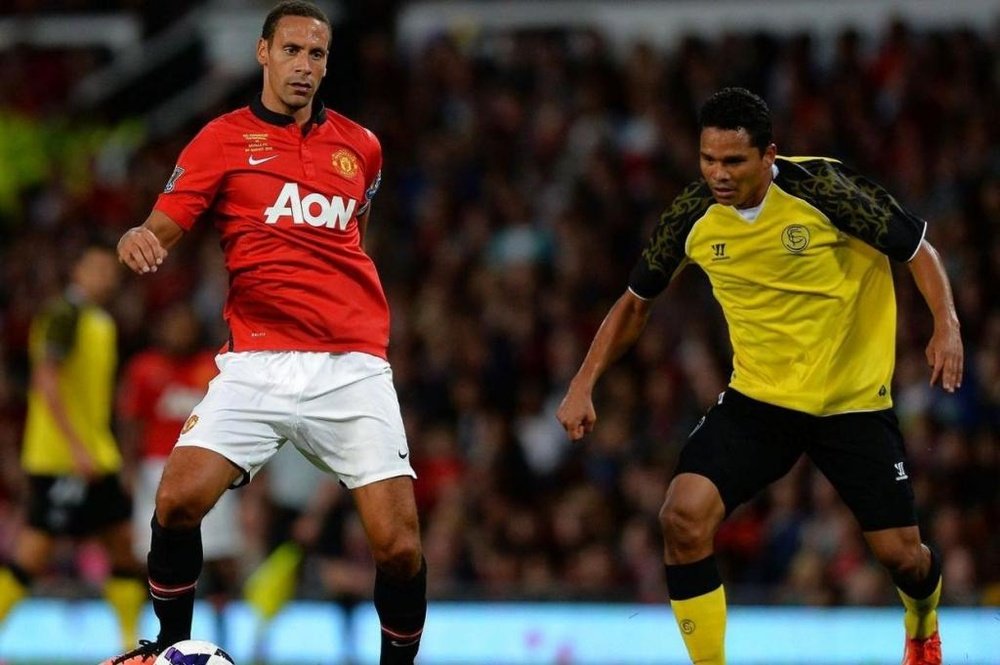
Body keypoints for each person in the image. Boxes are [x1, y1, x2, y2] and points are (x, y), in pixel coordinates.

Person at [556, 87, 962, 665]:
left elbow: (918, 249)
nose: (717, 174)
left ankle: (922, 623)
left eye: (733, 161)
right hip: (760, 400)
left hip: (850, 404)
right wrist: (583, 382)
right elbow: (635, 301)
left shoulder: (826, 189)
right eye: (707, 159)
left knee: (904, 557)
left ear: (769, 154)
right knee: (681, 516)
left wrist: (945, 323)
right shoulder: (691, 215)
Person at [104, 2, 426, 663]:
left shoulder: (362, 146)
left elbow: (351, 229)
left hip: (351, 364)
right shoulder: (219, 140)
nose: (305, 65)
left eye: (317, 54)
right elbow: (163, 222)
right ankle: (168, 649)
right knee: (175, 500)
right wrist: (140, 237)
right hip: (256, 362)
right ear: (262, 53)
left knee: (399, 545)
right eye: (293, 51)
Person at [0, 243, 147, 652]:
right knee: (33, 553)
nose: (103, 276)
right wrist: (76, 447)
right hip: (63, 458)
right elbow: (46, 382)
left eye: (108, 269)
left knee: (123, 548)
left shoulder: (100, 321)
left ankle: (129, 647)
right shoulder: (63, 316)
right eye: (94, 267)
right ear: (75, 271)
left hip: (98, 456)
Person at [117, 302, 242, 642]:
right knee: (153, 554)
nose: (179, 332)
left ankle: (224, 636)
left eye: (185, 325)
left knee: (220, 556)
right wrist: (129, 467)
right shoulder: (144, 368)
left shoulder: (211, 366)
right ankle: (152, 638)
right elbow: (130, 421)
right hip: (156, 469)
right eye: (173, 325)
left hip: (209, 466)